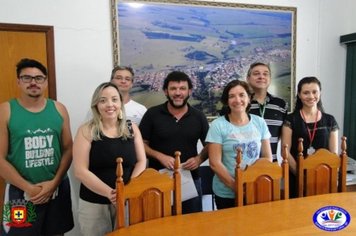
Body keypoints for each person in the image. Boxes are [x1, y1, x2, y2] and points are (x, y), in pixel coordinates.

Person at [0, 58, 74, 235]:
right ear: (18, 81)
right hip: (21, 193)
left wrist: (54, 183)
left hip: (57, 188)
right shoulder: (5, 110)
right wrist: (29, 188)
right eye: (27, 78)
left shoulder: (59, 108)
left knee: (57, 233)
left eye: (39, 78)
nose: (33, 82)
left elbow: (68, 148)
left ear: (46, 81)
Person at [72, 82, 146, 236]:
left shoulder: (132, 128)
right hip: (94, 203)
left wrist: (127, 190)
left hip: (127, 199)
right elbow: (80, 171)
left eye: (114, 99)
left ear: (120, 103)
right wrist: (111, 193)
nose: (109, 104)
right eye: (103, 100)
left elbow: (141, 162)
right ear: (96, 105)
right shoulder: (86, 130)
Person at [139, 71, 209, 214]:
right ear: (166, 91)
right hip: (157, 181)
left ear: (189, 91)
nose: (178, 93)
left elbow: (210, 145)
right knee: (159, 227)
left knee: (192, 225)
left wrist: (199, 158)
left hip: (191, 179)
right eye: (173, 89)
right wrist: (159, 156)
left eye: (182, 88)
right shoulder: (152, 114)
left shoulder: (198, 116)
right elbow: (140, 145)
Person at [206, 79, 272, 210]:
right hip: (227, 193)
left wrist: (254, 184)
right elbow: (214, 163)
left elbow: (267, 157)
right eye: (232, 96)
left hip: (256, 188)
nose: (237, 100)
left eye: (242, 95)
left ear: (249, 98)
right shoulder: (218, 125)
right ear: (227, 101)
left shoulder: (259, 122)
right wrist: (238, 187)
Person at [281, 76, 339, 198]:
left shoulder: (330, 120)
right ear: (299, 95)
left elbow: (333, 153)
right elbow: (285, 151)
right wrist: (301, 175)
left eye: (314, 92)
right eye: (306, 93)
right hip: (297, 178)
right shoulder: (290, 120)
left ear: (320, 93)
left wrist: (321, 175)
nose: (311, 96)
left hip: (323, 177)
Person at [246, 62, 288, 162]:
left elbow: (284, 141)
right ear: (248, 79)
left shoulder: (280, 105)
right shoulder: (242, 104)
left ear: (270, 79)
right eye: (256, 74)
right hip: (246, 167)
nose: (261, 77)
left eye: (265, 74)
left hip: (272, 167)